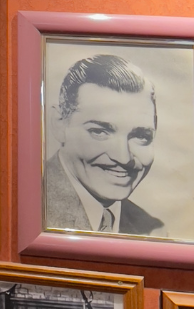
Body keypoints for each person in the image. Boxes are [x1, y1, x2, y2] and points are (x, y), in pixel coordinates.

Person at [44, 53, 165, 236]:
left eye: (140, 136)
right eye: (100, 131)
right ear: (59, 124)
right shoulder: (23, 205)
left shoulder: (153, 230)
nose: (123, 158)